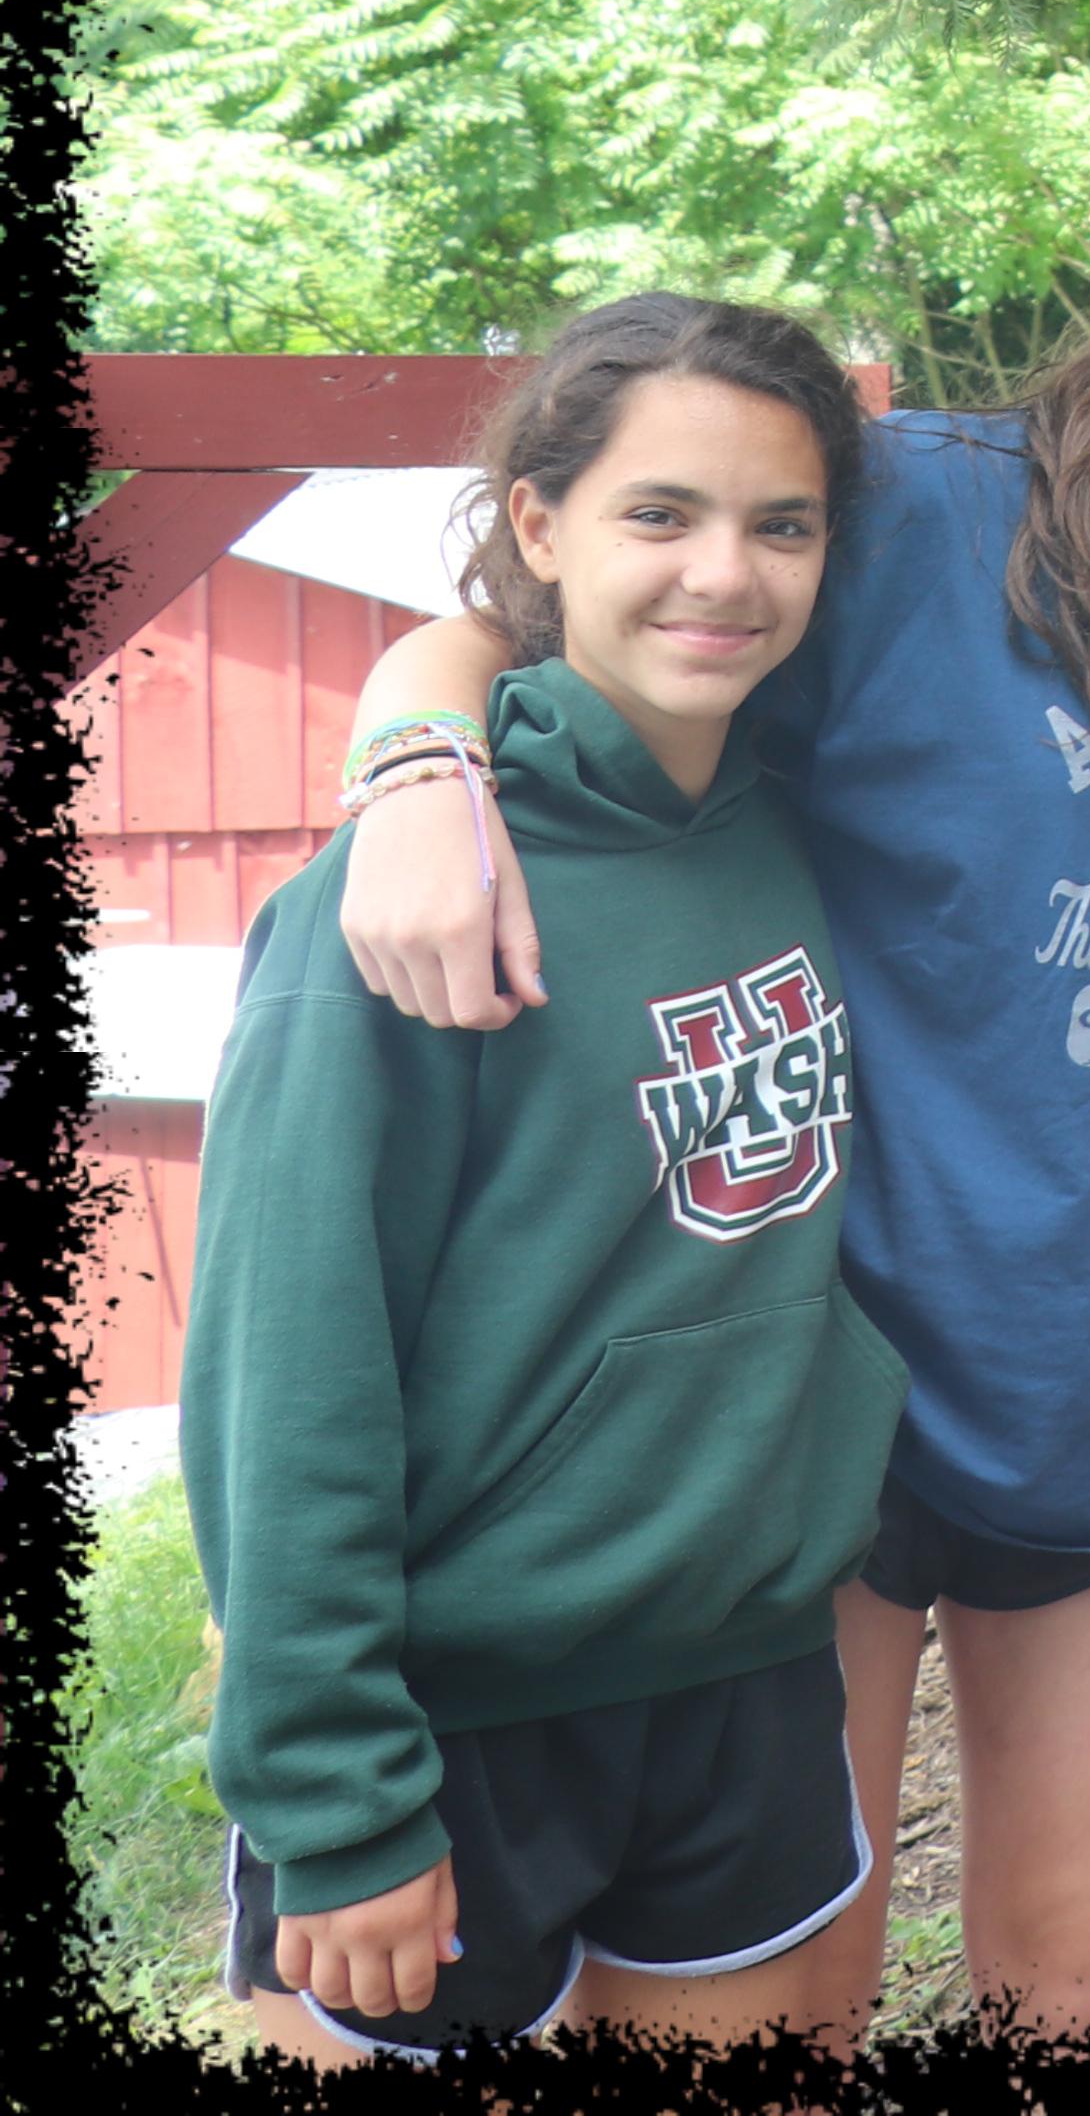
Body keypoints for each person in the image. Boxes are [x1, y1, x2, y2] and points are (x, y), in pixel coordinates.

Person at [326, 93, 1090, 2033]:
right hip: (817, 1400)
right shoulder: (941, 514)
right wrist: (419, 765)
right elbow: (508, 621)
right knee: (794, 1999)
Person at [193, 300, 903, 2060]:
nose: (722, 573)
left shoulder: (795, 812)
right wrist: (336, 1795)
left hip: (741, 1681)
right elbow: (286, 1379)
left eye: (782, 524)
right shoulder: (400, 906)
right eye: (658, 514)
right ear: (539, 527)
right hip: (458, 1722)